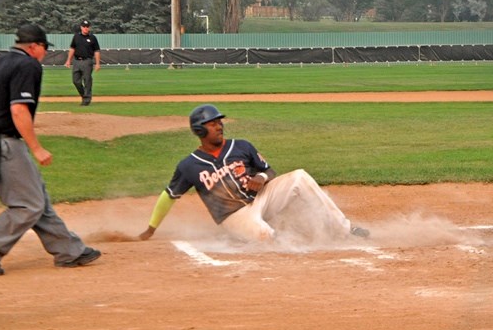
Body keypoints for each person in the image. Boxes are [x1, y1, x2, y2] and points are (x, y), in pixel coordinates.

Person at [138, 104, 370, 244]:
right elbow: (169, 196)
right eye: (212, 123)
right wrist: (151, 229)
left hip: (261, 200)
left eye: (220, 121)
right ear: (199, 130)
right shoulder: (189, 165)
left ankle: (343, 230)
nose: (219, 125)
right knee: (265, 237)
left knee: (299, 177)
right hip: (234, 216)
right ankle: (274, 236)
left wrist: (262, 178)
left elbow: (269, 170)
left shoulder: (241, 146)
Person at [0, 24, 102, 276]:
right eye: (43, 47)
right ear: (33, 47)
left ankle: (69, 250)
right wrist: (37, 148)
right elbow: (19, 109)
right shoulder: (27, 65)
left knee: (37, 198)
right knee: (27, 205)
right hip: (5, 143)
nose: (44, 53)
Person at [64, 19, 101, 105]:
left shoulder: (92, 38)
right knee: (76, 81)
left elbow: (97, 51)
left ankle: (87, 100)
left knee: (87, 80)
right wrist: (68, 60)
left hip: (87, 61)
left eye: (87, 27)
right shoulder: (76, 36)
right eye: (84, 26)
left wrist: (98, 63)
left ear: (89, 28)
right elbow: (72, 48)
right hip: (76, 61)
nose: (85, 28)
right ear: (81, 27)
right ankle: (84, 95)